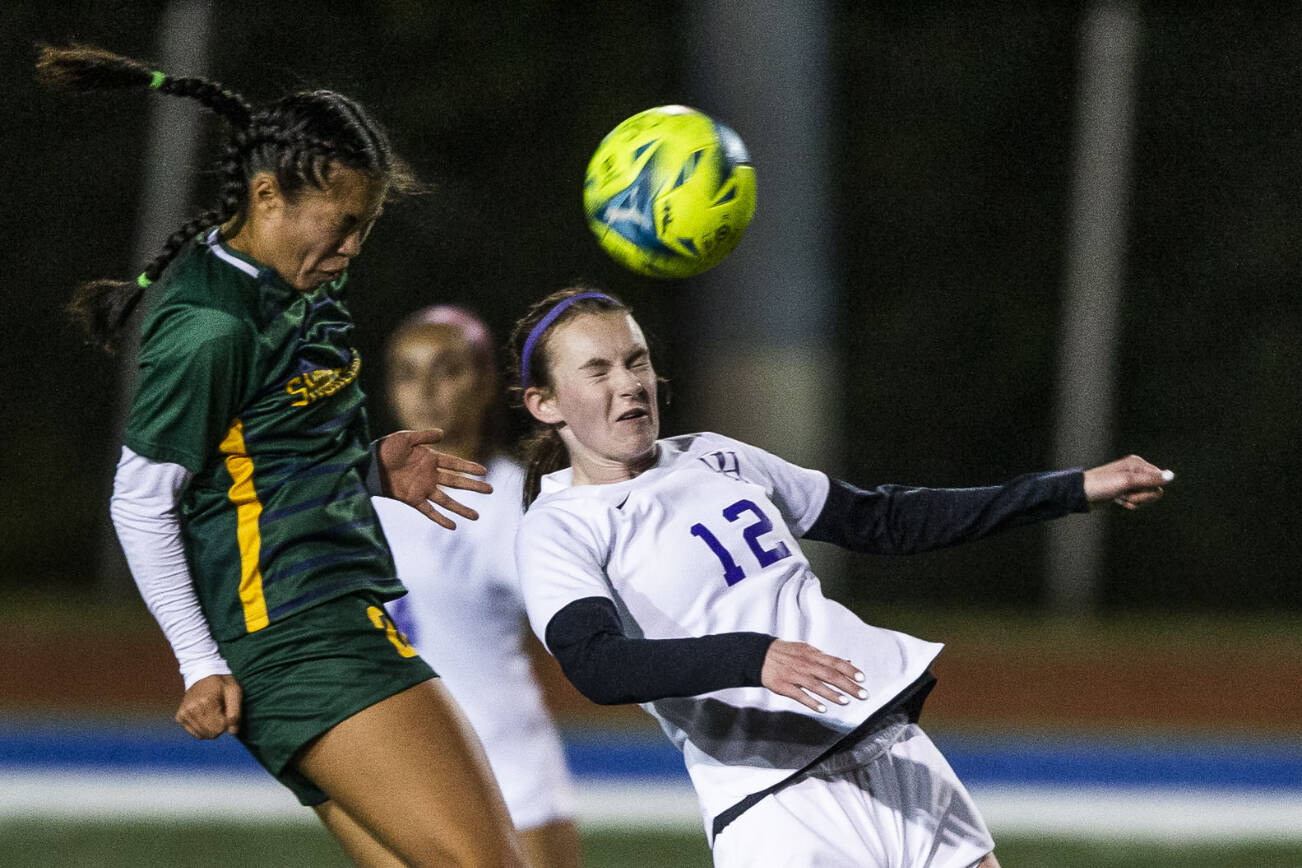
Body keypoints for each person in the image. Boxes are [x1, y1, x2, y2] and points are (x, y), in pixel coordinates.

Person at [38, 45, 525, 867]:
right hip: (300, 638)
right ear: (268, 196)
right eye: (343, 224)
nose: (353, 248)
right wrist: (199, 662)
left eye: (365, 227)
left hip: (318, 623)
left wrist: (370, 470)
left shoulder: (296, 282)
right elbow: (141, 499)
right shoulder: (212, 328)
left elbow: (265, 451)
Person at [508, 287, 1173, 868]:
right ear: (545, 404)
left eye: (636, 359)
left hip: (893, 753)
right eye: (596, 370)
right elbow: (597, 666)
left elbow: (883, 520)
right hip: (776, 800)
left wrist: (1072, 489)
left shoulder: (716, 456)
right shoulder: (559, 526)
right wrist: (753, 656)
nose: (629, 383)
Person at [373, 305, 582, 868]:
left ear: (489, 382)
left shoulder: (515, 502)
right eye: (407, 373)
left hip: (510, 778)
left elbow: (582, 627)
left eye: (448, 369)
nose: (427, 390)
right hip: (396, 779)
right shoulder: (362, 504)